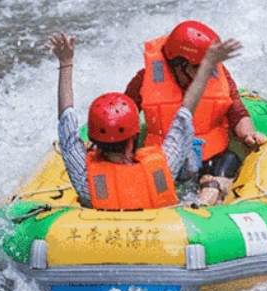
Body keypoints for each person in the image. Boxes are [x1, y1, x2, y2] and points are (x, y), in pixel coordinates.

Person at [46, 31, 243, 210]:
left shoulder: (84, 179)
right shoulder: (163, 168)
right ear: (134, 139)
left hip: (99, 238)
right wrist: (207, 65)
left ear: (93, 141)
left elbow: (67, 123)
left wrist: (66, 63)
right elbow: (185, 114)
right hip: (164, 237)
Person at [124, 20, 267, 206]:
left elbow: (237, 112)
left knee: (229, 160)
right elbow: (124, 118)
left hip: (210, 156)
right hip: (162, 159)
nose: (207, 73)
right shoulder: (145, 79)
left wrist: (248, 134)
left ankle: (207, 198)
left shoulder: (220, 75)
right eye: (199, 67)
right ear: (178, 65)